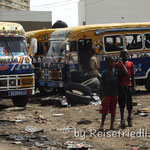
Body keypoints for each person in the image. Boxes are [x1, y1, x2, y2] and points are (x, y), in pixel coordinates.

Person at [99, 56, 127, 130]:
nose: (113, 63)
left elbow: (126, 73)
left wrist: (122, 64)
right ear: (107, 63)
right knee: (104, 111)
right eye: (111, 62)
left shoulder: (117, 72)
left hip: (115, 94)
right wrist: (102, 95)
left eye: (113, 61)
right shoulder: (104, 73)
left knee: (113, 110)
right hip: (106, 94)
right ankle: (102, 125)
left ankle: (111, 126)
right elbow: (101, 85)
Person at [115, 50, 136, 128]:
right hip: (121, 86)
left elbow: (133, 75)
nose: (124, 55)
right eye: (122, 54)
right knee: (121, 103)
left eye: (125, 53)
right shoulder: (117, 64)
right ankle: (122, 119)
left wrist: (134, 86)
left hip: (128, 85)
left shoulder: (130, 64)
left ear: (127, 55)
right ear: (120, 55)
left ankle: (129, 118)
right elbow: (116, 75)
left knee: (129, 103)